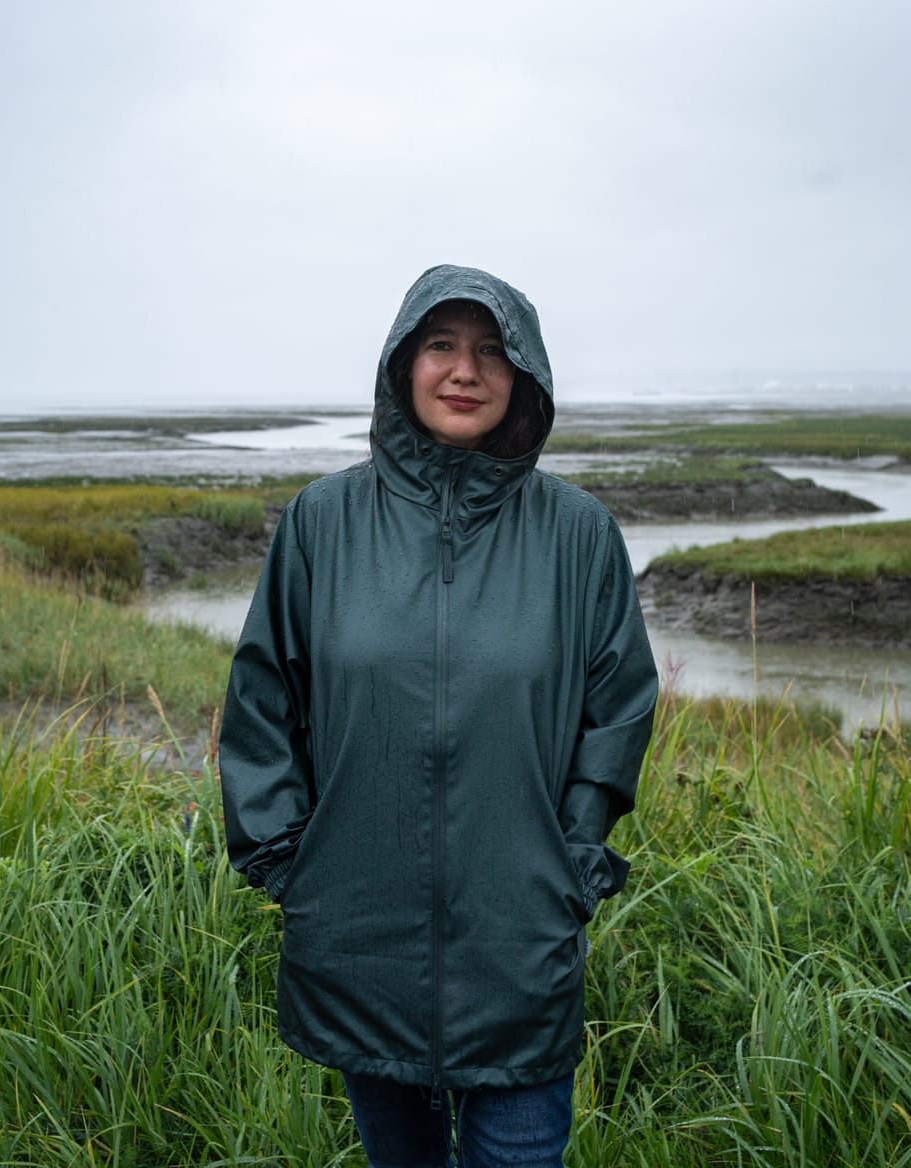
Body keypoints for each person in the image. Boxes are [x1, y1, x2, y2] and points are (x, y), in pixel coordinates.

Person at [219, 264, 658, 1168]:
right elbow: (264, 704)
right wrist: (288, 862)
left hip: (519, 942)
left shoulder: (579, 535)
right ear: (402, 364)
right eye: (442, 345)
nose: (466, 371)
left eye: (493, 351)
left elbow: (618, 710)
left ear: (525, 375)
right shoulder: (321, 524)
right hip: (358, 939)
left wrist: (570, 863)